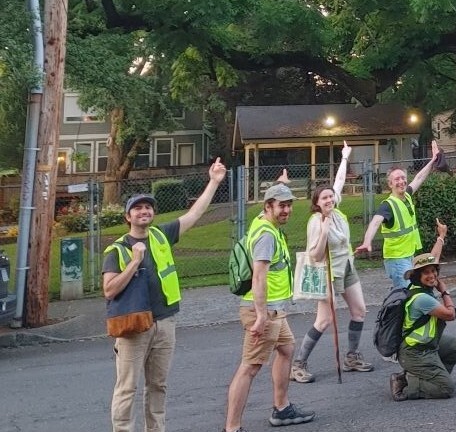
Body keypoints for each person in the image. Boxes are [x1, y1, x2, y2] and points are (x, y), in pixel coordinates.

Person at [103, 158, 227, 432]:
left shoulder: (161, 235)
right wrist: (134, 262)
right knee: (127, 388)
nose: (144, 211)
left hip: (165, 322)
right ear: (128, 217)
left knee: (158, 385)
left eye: (148, 207)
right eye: (137, 208)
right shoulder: (117, 250)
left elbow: (194, 215)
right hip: (133, 327)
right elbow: (109, 289)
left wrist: (214, 182)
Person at [224, 183, 314, 432]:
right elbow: (259, 277)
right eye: (282, 206)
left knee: (287, 348)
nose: (287, 210)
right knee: (249, 367)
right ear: (268, 207)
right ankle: (232, 427)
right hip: (264, 311)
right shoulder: (266, 235)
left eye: (289, 205)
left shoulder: (263, 222)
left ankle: (282, 408)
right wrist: (262, 316)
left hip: (274, 309)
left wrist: (281, 182)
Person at [291, 143, 374, 383]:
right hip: (327, 272)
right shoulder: (317, 222)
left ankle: (351, 357)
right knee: (324, 320)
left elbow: (338, 181)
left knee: (359, 311)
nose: (329, 199)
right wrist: (325, 232)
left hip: (346, 266)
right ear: (316, 203)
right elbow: (315, 256)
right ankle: (298, 364)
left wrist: (345, 157)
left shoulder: (336, 212)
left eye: (330, 196)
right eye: (324, 198)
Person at [389, 232, 456, 401]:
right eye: (426, 273)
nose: (432, 275)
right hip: (414, 352)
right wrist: (445, 291)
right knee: (446, 389)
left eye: (434, 271)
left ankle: (431, 377)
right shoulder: (422, 298)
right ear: (418, 277)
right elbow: (450, 315)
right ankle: (406, 383)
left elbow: (433, 257)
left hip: (427, 345)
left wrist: (441, 236)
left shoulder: (422, 289)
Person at [356, 140, 442, 288]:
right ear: (390, 184)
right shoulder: (387, 205)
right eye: (396, 179)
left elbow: (419, 178)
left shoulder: (407, 195)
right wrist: (367, 241)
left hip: (408, 255)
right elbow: (375, 222)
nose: (401, 181)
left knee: (409, 293)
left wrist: (433, 161)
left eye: (403, 178)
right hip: (397, 258)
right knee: (405, 295)